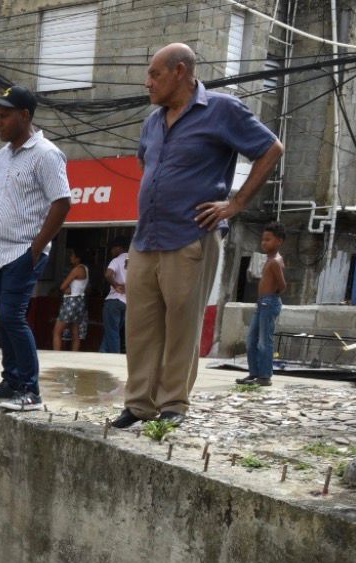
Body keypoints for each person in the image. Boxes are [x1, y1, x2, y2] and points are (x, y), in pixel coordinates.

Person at [111, 43, 283, 429]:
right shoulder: (153, 121)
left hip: (192, 234)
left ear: (180, 71)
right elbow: (146, 162)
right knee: (139, 327)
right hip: (147, 236)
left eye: (154, 74)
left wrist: (235, 203)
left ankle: (173, 404)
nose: (148, 82)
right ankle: (138, 404)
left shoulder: (221, 109)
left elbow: (271, 148)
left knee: (181, 326)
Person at [0, 86, 71, 413]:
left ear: (25, 116)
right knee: (6, 317)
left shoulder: (46, 154)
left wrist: (38, 247)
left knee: (14, 318)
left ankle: (30, 390)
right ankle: (10, 382)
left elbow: (62, 202)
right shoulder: (3, 156)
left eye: (4, 116)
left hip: (22, 251)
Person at [237, 222, 286, 387]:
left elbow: (282, 285)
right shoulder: (269, 259)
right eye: (263, 239)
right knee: (251, 340)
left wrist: (270, 297)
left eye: (268, 239)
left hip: (269, 302)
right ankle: (254, 373)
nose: (264, 243)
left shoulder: (275, 262)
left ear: (279, 241)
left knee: (264, 341)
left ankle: (265, 376)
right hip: (262, 303)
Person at [52, 248, 89, 351]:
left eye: (72, 255)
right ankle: (74, 356)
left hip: (70, 302)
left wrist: (66, 288)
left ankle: (55, 356)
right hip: (80, 301)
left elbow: (62, 286)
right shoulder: (85, 269)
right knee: (75, 332)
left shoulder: (77, 269)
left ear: (78, 258)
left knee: (57, 331)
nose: (70, 257)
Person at [99, 240, 129, 354]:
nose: (111, 252)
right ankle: (102, 354)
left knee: (112, 332)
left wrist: (115, 285)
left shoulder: (116, 260)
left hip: (114, 301)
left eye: (112, 249)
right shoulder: (135, 260)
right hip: (126, 302)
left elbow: (108, 274)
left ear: (118, 248)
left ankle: (115, 358)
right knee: (111, 332)